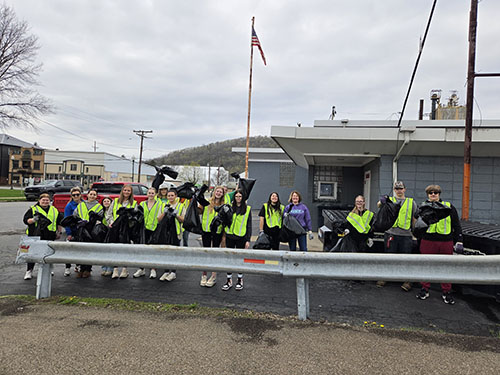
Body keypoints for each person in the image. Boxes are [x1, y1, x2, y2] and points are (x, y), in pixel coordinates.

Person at [416, 185, 463, 305]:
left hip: (445, 240)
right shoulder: (423, 207)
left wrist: (459, 240)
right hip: (428, 240)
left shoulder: (448, 206)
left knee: (446, 266)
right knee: (426, 265)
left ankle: (446, 291)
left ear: (439, 194)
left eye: (435, 192)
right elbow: (417, 224)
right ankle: (424, 289)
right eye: (431, 193)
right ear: (427, 194)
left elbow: (456, 224)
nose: (433, 194)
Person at [376, 181, 416, 291]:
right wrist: (382, 201)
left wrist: (414, 234)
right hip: (391, 233)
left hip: (406, 234)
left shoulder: (411, 202)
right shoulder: (391, 200)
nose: (399, 191)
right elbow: (379, 205)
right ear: (394, 190)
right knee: (389, 256)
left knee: (406, 258)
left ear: (404, 189)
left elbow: (414, 218)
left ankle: (407, 280)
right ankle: (385, 277)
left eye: (401, 188)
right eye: (397, 189)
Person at [23, 193, 64, 280]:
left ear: (50, 201)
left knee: (48, 253)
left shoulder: (54, 210)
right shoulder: (33, 209)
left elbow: (58, 222)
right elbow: (26, 220)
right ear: (39, 201)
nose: (45, 202)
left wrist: (59, 232)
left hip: (50, 234)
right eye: (43, 200)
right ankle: (29, 271)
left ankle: (48, 269)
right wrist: (34, 220)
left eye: (47, 200)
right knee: (32, 254)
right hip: (35, 234)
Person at [222, 190, 252, 291]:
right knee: (229, 259)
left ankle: (239, 280)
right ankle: (229, 280)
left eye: (240, 196)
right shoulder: (230, 207)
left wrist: (248, 240)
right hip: (230, 236)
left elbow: (249, 225)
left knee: (239, 259)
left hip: (241, 237)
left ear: (243, 198)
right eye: (236, 196)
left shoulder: (247, 209)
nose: (238, 198)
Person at [133, 187, 163, 279]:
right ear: (147, 194)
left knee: (153, 251)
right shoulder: (142, 204)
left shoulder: (160, 204)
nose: (151, 194)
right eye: (149, 193)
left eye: (152, 193)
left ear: (156, 194)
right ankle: (141, 269)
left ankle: (153, 269)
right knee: (142, 250)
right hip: (144, 229)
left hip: (154, 229)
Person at [73, 189, 103, 278]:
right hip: (82, 229)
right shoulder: (81, 205)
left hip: (92, 230)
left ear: (96, 196)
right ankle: (81, 269)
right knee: (81, 250)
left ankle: (88, 269)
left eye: (94, 195)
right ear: (87, 195)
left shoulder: (99, 207)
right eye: (91, 194)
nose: (92, 196)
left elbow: (100, 218)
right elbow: (75, 215)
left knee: (90, 250)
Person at [198, 186, 224, 287]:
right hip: (206, 230)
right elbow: (199, 211)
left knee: (214, 253)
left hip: (217, 231)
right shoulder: (207, 202)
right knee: (206, 252)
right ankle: (204, 275)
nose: (218, 193)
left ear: (222, 194)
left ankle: (213, 276)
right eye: (217, 191)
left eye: (220, 192)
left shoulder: (224, 205)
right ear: (214, 192)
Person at [110, 184, 137, 279]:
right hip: (115, 228)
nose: (126, 192)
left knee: (125, 249)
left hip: (127, 229)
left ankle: (125, 269)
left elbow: (135, 217)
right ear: (122, 191)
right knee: (115, 249)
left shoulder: (134, 203)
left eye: (128, 191)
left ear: (131, 192)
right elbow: (109, 214)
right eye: (125, 190)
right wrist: (111, 222)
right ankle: (115, 269)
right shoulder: (115, 201)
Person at [157, 188, 185, 282]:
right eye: (169, 195)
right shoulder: (163, 205)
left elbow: (183, 220)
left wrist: (176, 215)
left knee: (174, 252)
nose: (170, 197)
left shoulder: (181, 206)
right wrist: (164, 212)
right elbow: (158, 219)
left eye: (172, 195)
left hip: (176, 232)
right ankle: (166, 271)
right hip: (165, 233)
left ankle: (173, 272)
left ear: (176, 196)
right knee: (165, 252)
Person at [63, 186, 82, 276]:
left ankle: (78, 265)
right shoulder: (69, 206)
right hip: (72, 230)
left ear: (80, 195)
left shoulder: (83, 204)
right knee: (69, 250)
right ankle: (67, 267)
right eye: (74, 195)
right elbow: (66, 220)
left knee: (80, 250)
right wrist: (69, 232)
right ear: (71, 196)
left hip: (81, 230)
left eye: (77, 194)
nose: (76, 196)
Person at [100, 196, 114, 276]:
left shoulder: (112, 212)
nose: (106, 202)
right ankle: (104, 268)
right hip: (103, 233)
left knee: (110, 250)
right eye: (104, 201)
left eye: (108, 201)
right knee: (103, 251)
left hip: (110, 232)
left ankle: (110, 268)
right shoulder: (101, 211)